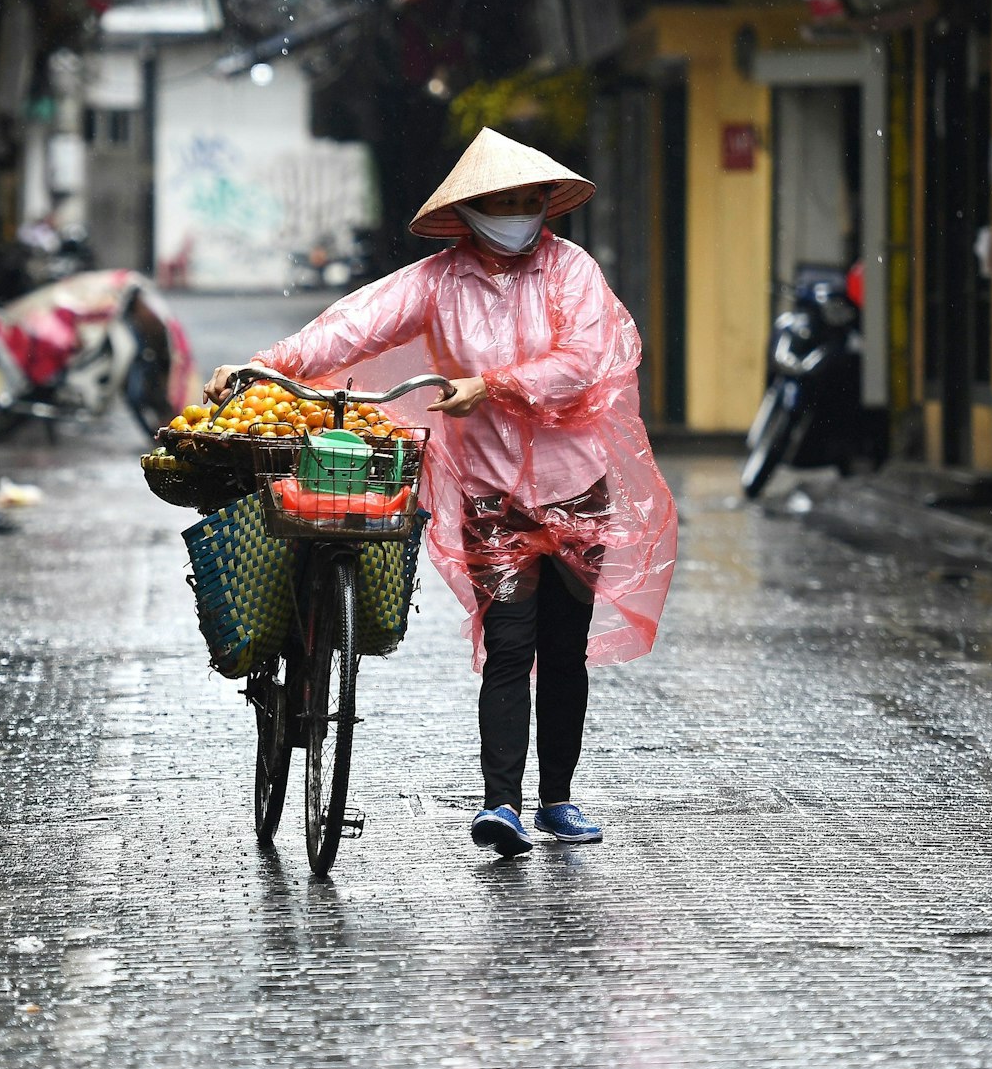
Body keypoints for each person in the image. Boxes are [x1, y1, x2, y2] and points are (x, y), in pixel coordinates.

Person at [204, 128, 677, 858]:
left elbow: (585, 360)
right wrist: (265, 364)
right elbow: (350, 327)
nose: (516, 211)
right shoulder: (435, 282)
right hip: (493, 497)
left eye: (528, 200)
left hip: (578, 488)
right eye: (501, 201)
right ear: (470, 210)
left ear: (546, 205)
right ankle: (502, 805)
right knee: (510, 645)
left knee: (565, 646)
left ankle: (557, 798)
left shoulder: (570, 271)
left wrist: (493, 384)